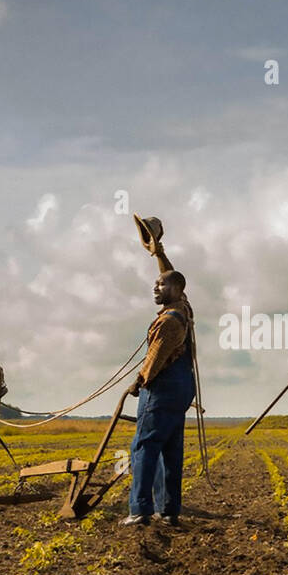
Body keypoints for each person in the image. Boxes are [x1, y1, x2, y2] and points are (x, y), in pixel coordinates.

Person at [122, 217, 196, 527]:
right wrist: (158, 252)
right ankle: (169, 510)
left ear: (176, 289)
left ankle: (139, 509)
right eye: (156, 283)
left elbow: (154, 359)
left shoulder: (168, 321)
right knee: (170, 448)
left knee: (144, 446)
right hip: (181, 388)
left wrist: (137, 383)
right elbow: (171, 276)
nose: (156, 286)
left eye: (161, 285)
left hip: (161, 387)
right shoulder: (184, 308)